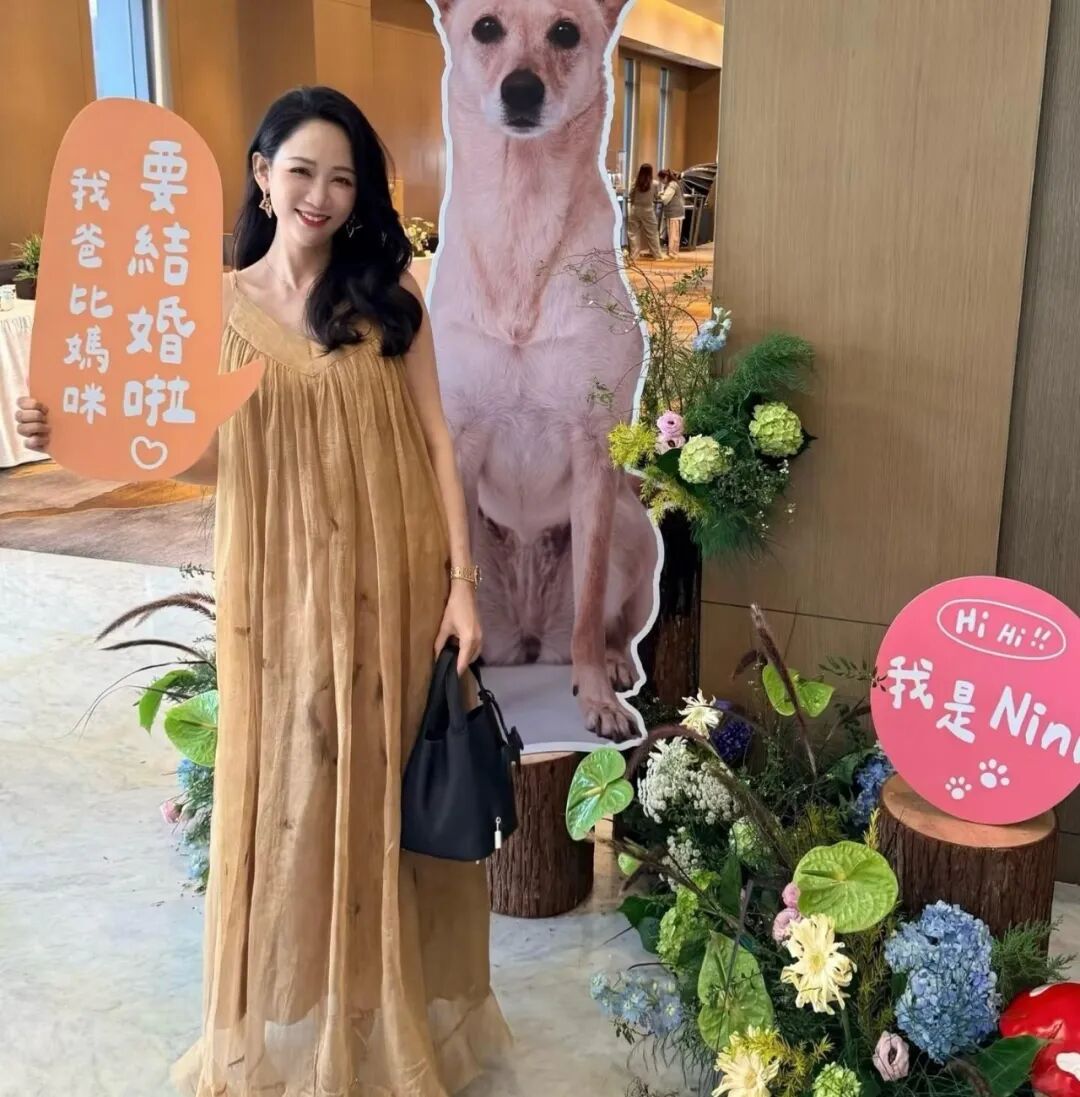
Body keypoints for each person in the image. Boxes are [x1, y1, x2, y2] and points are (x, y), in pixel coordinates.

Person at [17, 85, 511, 1096]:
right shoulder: (215, 304)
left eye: (342, 177)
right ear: (261, 175)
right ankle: (309, 1022)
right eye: (302, 172)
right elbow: (195, 454)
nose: (321, 195)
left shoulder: (388, 293)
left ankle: (389, 1019)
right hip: (277, 589)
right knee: (293, 786)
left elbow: (436, 440)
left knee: (385, 786)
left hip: (397, 573)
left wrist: (463, 584)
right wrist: (56, 435)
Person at [627, 162, 662, 260]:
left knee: (633, 233)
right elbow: (656, 196)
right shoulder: (655, 184)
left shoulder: (635, 182)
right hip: (648, 210)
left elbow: (630, 194)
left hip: (635, 209)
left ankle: (634, 256)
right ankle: (657, 256)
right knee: (652, 233)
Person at [657, 169, 686, 259]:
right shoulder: (673, 184)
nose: (661, 182)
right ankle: (673, 252)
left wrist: (660, 195)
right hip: (676, 213)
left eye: (661, 179)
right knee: (674, 233)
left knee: (673, 234)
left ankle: (673, 253)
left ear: (665, 177)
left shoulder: (672, 185)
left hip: (674, 213)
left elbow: (665, 199)